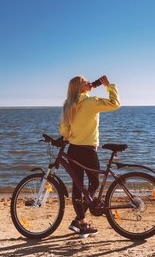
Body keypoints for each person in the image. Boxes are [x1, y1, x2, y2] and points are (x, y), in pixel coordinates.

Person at [58, 75, 121, 238]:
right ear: (80, 88)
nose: (89, 83)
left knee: (78, 187)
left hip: (74, 148)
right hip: (88, 150)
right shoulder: (90, 102)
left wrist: (69, 137)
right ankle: (82, 222)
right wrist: (109, 86)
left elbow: (64, 127)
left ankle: (79, 221)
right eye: (85, 82)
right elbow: (115, 104)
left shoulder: (68, 104)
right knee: (94, 182)